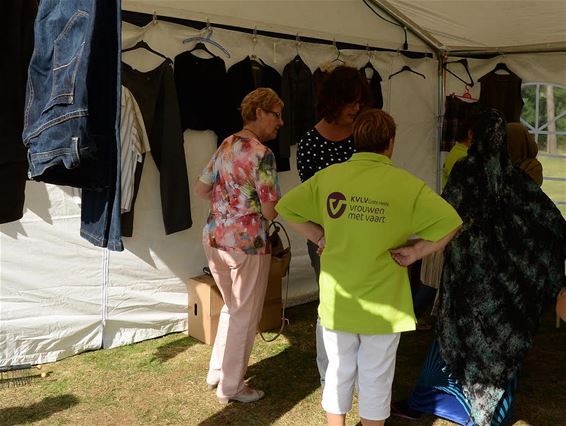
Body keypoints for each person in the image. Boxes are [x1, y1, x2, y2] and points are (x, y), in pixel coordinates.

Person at [277, 109, 462, 426]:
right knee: (376, 377)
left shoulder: (329, 176)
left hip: (339, 300)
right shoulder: (407, 184)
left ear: (354, 140)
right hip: (384, 303)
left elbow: (286, 207)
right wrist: (417, 250)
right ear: (390, 143)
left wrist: (317, 233)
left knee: (338, 370)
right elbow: (451, 223)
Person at [394, 109, 566, 426]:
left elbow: (447, 216)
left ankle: (432, 401)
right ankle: (485, 412)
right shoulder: (517, 180)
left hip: (466, 279)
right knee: (495, 347)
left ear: (474, 137)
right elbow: (550, 221)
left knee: (454, 341)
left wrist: (419, 244)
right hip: (502, 286)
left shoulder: (467, 171)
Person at [194, 88, 283, 404]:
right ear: (259, 112)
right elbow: (270, 210)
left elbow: (201, 188)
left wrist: (228, 202)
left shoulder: (226, 145)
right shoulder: (262, 154)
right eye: (276, 114)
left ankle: (218, 371)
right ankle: (231, 386)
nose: (281, 122)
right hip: (246, 244)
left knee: (233, 308)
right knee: (244, 314)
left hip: (215, 238)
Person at [296, 65, 371, 383]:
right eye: (350, 102)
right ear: (333, 101)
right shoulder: (309, 144)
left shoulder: (361, 137)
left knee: (361, 304)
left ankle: (355, 371)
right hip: (325, 238)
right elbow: (311, 201)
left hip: (363, 235)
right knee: (330, 305)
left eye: (359, 102)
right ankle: (330, 376)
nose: (356, 108)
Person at [413, 107, 481, 328]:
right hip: (449, 225)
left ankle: (415, 316)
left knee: (437, 279)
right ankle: (408, 316)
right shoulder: (462, 157)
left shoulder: (460, 153)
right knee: (434, 279)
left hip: (448, 223)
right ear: (471, 133)